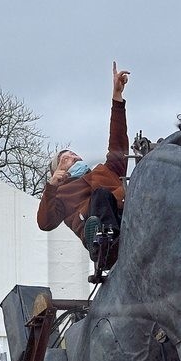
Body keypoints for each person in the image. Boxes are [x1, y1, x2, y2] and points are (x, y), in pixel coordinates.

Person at [37, 62, 131, 261]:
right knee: (101, 195)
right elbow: (45, 223)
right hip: (103, 236)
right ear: (58, 171)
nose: (73, 157)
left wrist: (117, 98)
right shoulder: (61, 196)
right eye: (65, 159)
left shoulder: (105, 171)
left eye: (73, 154)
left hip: (128, 215)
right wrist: (52, 186)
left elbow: (118, 142)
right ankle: (103, 242)